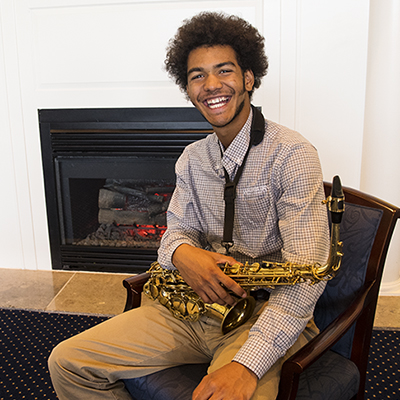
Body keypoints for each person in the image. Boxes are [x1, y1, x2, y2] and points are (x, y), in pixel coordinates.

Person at [48, 11, 330, 400]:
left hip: (266, 315)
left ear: (248, 78)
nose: (211, 85)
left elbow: (307, 278)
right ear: (188, 88)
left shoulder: (293, 154)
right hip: (196, 309)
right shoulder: (193, 158)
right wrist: (182, 254)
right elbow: (176, 230)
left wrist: (247, 365)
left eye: (224, 71)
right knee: (67, 362)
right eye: (197, 75)